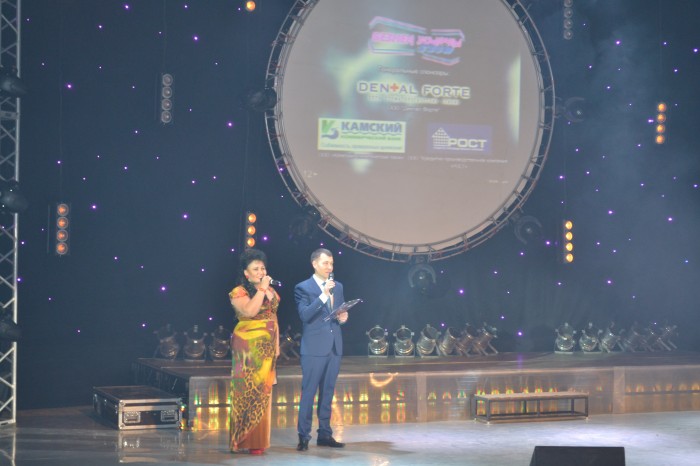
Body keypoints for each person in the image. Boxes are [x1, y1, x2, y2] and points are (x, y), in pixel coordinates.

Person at [294, 248, 349, 451]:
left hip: (334, 346)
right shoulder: (303, 288)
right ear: (314, 264)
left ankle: (325, 434)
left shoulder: (338, 286)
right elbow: (305, 315)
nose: (330, 267)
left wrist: (343, 318)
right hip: (314, 348)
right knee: (309, 392)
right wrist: (323, 295)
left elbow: (338, 313)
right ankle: (303, 436)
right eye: (326, 263)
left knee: (328, 392)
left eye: (332, 263)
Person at [228, 248, 280, 455]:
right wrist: (261, 290)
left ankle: (258, 442)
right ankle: (240, 440)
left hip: (267, 347)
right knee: (246, 392)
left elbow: (273, 317)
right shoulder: (239, 291)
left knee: (263, 391)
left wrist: (277, 346)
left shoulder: (271, 291)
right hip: (247, 347)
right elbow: (249, 311)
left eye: (263, 268)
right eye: (256, 269)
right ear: (246, 273)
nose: (261, 272)